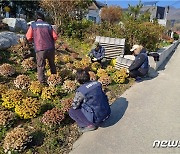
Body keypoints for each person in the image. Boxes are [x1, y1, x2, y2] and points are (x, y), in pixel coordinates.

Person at [26, 12, 58, 84]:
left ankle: (42, 82)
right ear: (43, 17)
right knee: (52, 64)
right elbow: (55, 36)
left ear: (36, 18)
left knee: (41, 66)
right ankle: (55, 79)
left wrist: (34, 41)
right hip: (51, 48)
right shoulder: (48, 25)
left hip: (40, 48)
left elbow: (28, 37)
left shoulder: (33, 25)